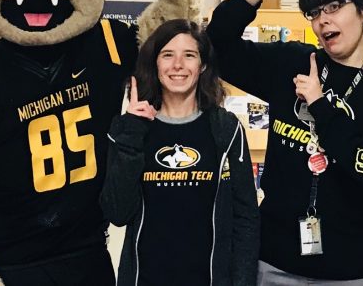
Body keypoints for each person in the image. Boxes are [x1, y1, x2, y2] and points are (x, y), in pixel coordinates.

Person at [207, 0, 363, 285]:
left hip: (362, 270)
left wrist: (321, 107)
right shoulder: (295, 63)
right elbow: (218, 50)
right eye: (314, 13)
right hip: (280, 263)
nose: (323, 21)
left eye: (334, 7)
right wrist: (245, 2)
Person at [101, 19, 260, 286]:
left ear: (203, 65)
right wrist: (131, 134)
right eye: (167, 55)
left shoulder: (225, 129)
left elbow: (245, 219)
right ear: (155, 64)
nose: (178, 65)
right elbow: (117, 213)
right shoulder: (129, 128)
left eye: (189, 55)